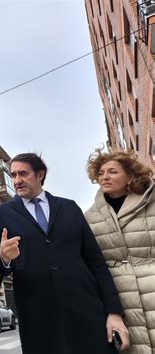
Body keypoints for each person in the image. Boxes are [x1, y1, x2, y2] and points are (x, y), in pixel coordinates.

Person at [0, 153, 129, 354]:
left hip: (85, 309)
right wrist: (4, 258)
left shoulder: (69, 207)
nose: (17, 180)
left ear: (40, 175)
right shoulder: (3, 214)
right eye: (13, 175)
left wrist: (114, 312)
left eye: (23, 174)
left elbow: (96, 262)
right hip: (37, 316)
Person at [85, 149, 155, 353]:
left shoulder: (151, 203)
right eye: (101, 173)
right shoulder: (90, 217)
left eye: (113, 172)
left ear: (130, 175)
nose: (104, 177)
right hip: (119, 298)